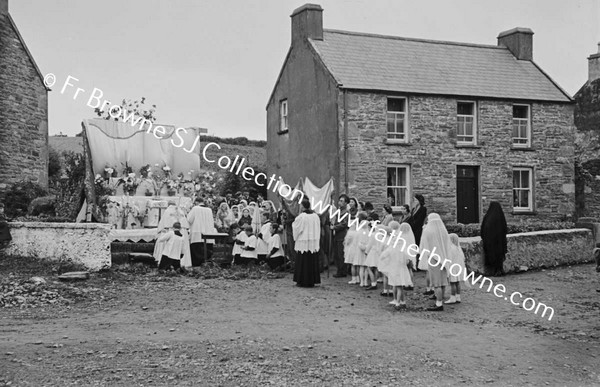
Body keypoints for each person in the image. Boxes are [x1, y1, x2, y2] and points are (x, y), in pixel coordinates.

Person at [420, 213, 451, 311]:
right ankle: (440, 300)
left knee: (436, 283)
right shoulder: (443, 230)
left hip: (433, 258)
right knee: (442, 281)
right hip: (444, 258)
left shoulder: (427, 230)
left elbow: (423, 245)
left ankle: (438, 303)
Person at [383, 222, 416, 309]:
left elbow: (383, 256)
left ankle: (397, 302)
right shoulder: (403, 250)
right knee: (399, 286)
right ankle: (402, 301)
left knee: (396, 286)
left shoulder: (391, 249)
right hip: (402, 270)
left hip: (394, 269)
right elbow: (407, 261)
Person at [293, 198, 321, 287]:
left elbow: (296, 228)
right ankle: (311, 280)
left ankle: (302, 280)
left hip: (303, 241)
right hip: (312, 241)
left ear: (302, 206)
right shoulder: (315, 216)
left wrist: (296, 237)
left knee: (303, 261)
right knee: (311, 261)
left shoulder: (301, 217)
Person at [154, 201, 192, 268]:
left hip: (171, 230)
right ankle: (184, 262)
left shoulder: (167, 211)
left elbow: (162, 224)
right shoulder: (181, 211)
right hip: (182, 231)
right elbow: (186, 224)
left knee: (169, 249)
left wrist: (159, 232)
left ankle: (166, 265)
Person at [481, 201, 508, 277]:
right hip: (500, 241)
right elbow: (505, 229)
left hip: (490, 241)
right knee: (499, 255)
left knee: (491, 254)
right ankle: (499, 270)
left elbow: (483, 229)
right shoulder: (501, 217)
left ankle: (493, 270)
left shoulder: (488, 216)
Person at [187, 198, 217, 266]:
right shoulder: (209, 210)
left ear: (197, 202)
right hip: (208, 233)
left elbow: (189, 220)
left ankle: (197, 264)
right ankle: (207, 263)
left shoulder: (195, 208)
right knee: (207, 250)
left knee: (197, 251)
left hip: (197, 232)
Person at [331, 194, 349, 278]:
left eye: (342, 201)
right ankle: (339, 269)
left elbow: (344, 224)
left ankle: (342, 271)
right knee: (337, 254)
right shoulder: (339, 211)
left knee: (341, 253)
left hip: (342, 235)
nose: (339, 203)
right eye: (339, 201)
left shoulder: (346, 213)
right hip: (337, 235)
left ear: (346, 203)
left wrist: (334, 227)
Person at [446, 233, 466, 304]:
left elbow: (449, 259)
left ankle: (452, 297)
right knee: (458, 283)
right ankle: (458, 297)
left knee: (452, 283)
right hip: (458, 267)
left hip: (452, 268)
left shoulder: (451, 248)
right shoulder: (458, 248)